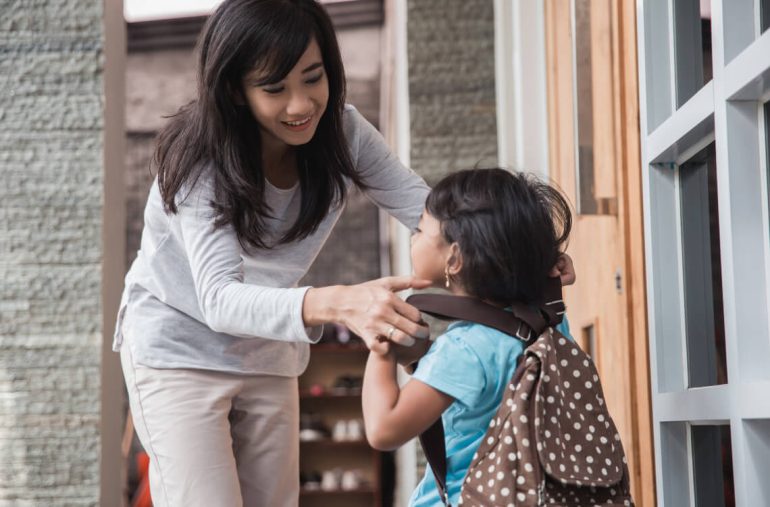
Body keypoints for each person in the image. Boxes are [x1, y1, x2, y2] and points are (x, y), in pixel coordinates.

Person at [361, 168, 574, 507]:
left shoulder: (464, 350)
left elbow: (384, 430)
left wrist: (380, 347)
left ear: (455, 258)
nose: (412, 238)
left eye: (419, 231)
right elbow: (484, 383)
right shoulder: (548, 322)